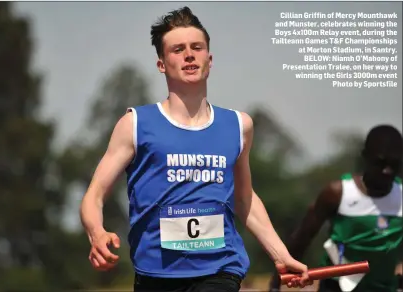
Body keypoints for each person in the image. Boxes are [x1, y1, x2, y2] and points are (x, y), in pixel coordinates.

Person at [80, 6, 311, 292]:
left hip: (221, 269)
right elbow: (95, 194)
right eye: (178, 49)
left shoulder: (238, 125)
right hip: (156, 273)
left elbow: (245, 198)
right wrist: (97, 233)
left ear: (209, 60)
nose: (189, 54)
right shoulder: (136, 124)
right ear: (161, 64)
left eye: (196, 47)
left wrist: (281, 255)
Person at [269, 124, 403, 292]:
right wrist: (275, 284)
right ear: (365, 157)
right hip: (336, 287)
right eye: (380, 163)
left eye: (394, 164)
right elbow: (302, 238)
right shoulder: (338, 193)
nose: (386, 171)